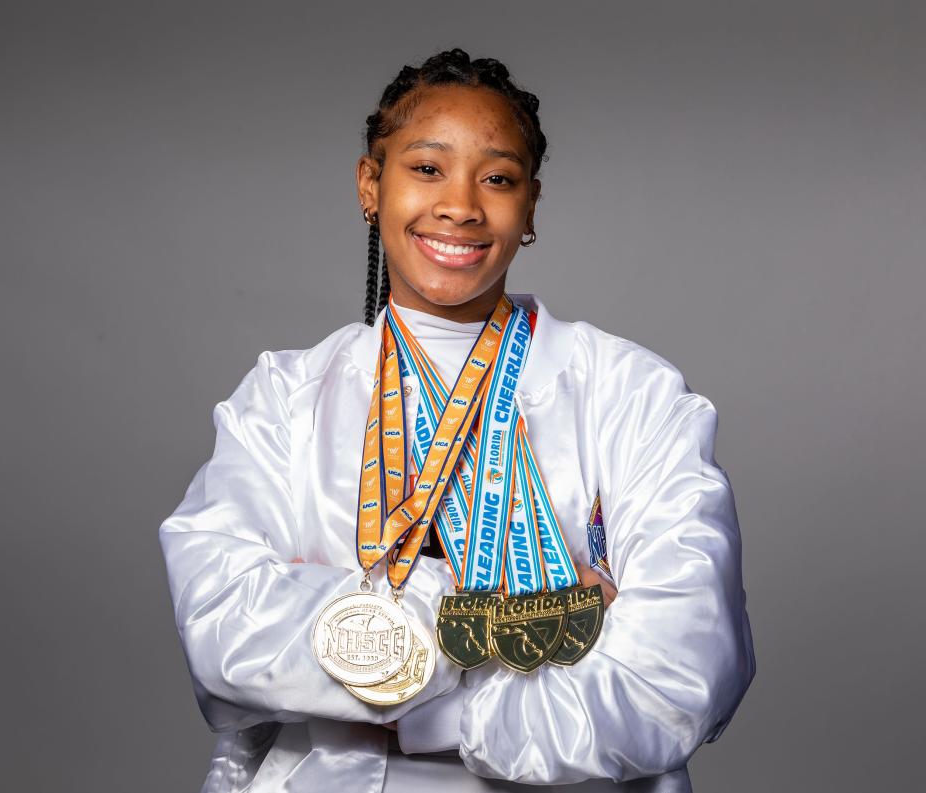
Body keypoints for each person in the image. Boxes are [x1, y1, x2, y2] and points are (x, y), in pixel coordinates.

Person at [159, 48, 755, 793]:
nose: (461, 205)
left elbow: (681, 672)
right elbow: (225, 630)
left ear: (530, 206)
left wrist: (401, 684)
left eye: (497, 178)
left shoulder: (630, 393)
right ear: (370, 187)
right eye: (428, 169)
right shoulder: (285, 397)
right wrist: (534, 616)